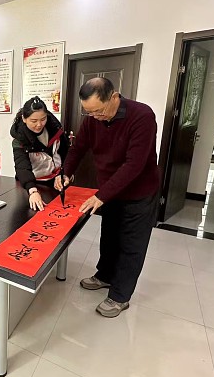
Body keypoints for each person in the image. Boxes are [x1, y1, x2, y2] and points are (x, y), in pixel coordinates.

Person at [57, 77, 159, 318]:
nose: (95, 117)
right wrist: (66, 172)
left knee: (131, 245)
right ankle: (104, 275)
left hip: (138, 192)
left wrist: (101, 195)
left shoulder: (142, 116)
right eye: (89, 112)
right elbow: (78, 148)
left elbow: (134, 165)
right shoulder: (93, 120)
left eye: (99, 111)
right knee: (110, 236)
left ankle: (120, 296)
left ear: (114, 97)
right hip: (110, 191)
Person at [11, 96, 69, 211]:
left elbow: (65, 152)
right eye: (34, 121)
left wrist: (63, 173)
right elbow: (22, 167)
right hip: (33, 183)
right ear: (24, 119)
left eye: (43, 119)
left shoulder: (55, 129)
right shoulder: (20, 138)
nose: (39, 124)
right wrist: (32, 191)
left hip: (55, 181)